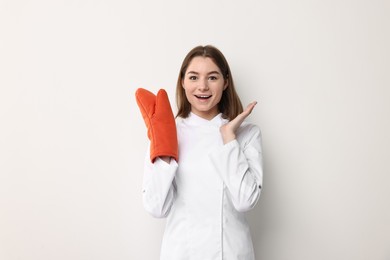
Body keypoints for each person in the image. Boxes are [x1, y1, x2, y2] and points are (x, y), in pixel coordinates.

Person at [135, 45, 263, 260]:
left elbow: (245, 201)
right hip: (181, 252)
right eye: (193, 77)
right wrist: (165, 145)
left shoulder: (247, 133)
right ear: (183, 82)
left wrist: (228, 137)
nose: (202, 86)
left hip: (231, 253)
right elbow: (156, 207)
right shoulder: (167, 133)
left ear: (225, 82)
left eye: (212, 78)